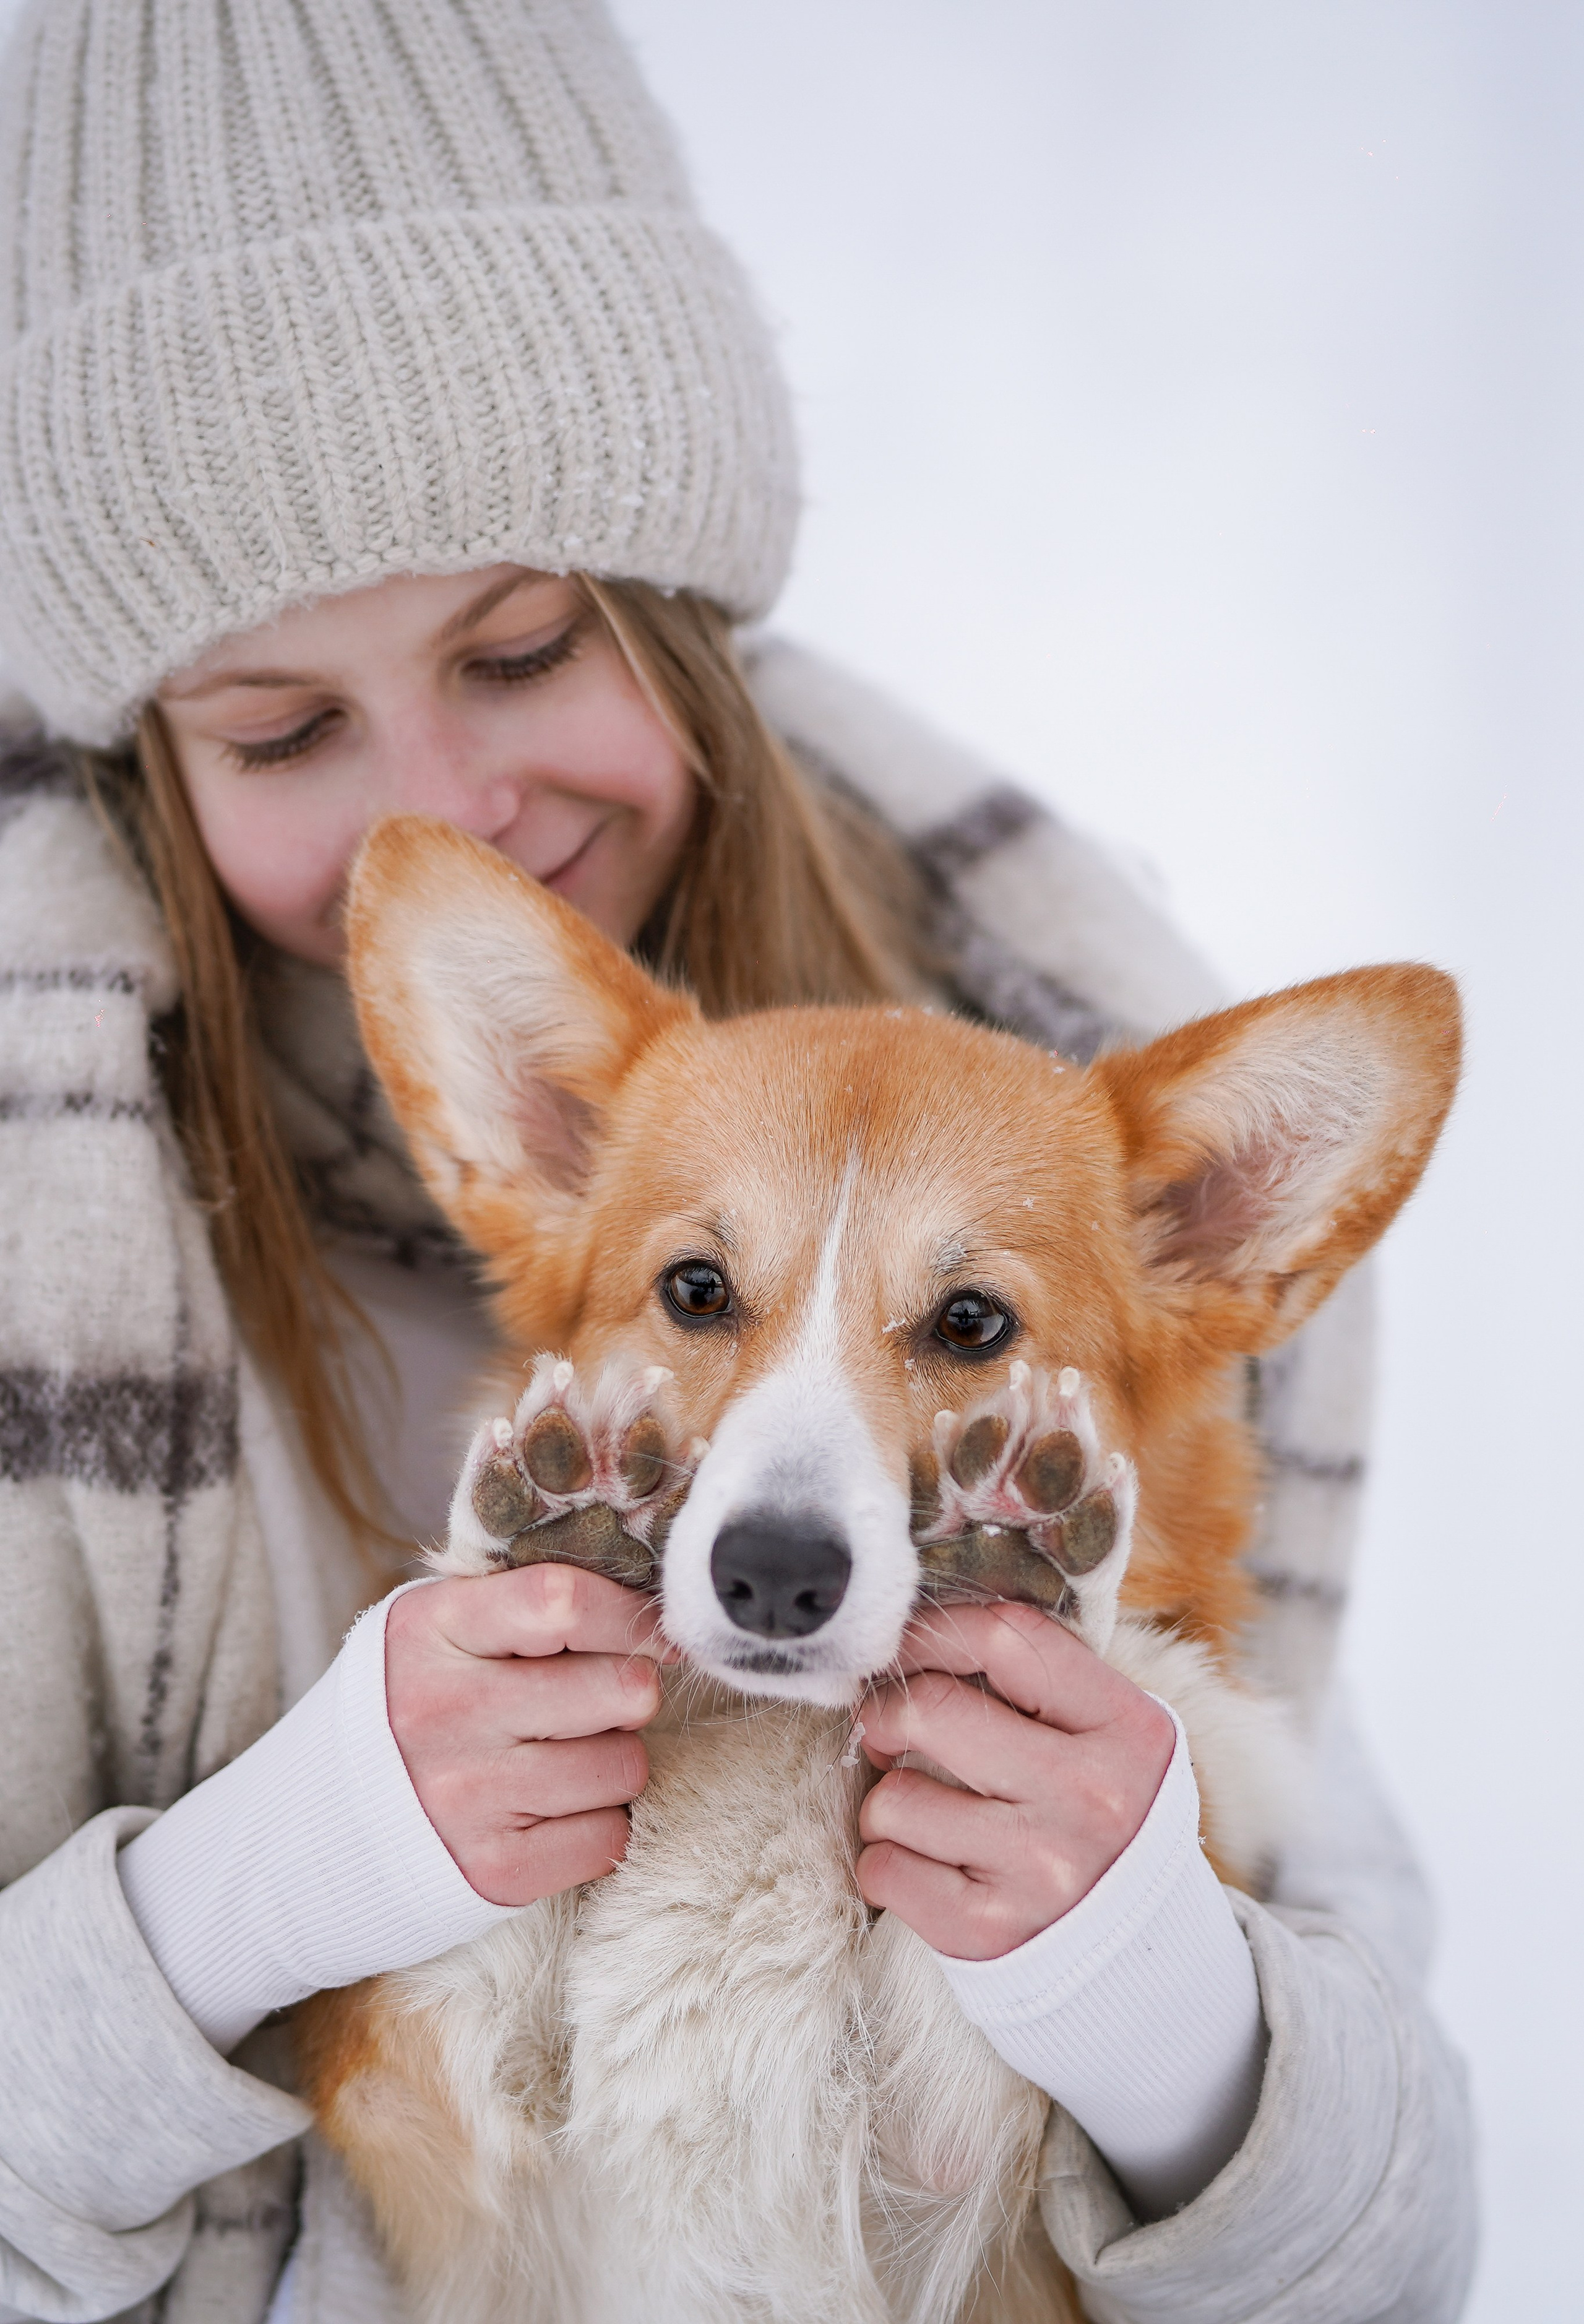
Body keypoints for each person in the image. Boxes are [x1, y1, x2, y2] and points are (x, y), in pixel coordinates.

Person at [0, 2, 1474, 2319]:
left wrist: (1158, 1997)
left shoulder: (1058, 1146)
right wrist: (235, 1907)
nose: (447, 814)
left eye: (521, 644)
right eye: (284, 722)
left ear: (682, 622)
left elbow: (1402, 2248)